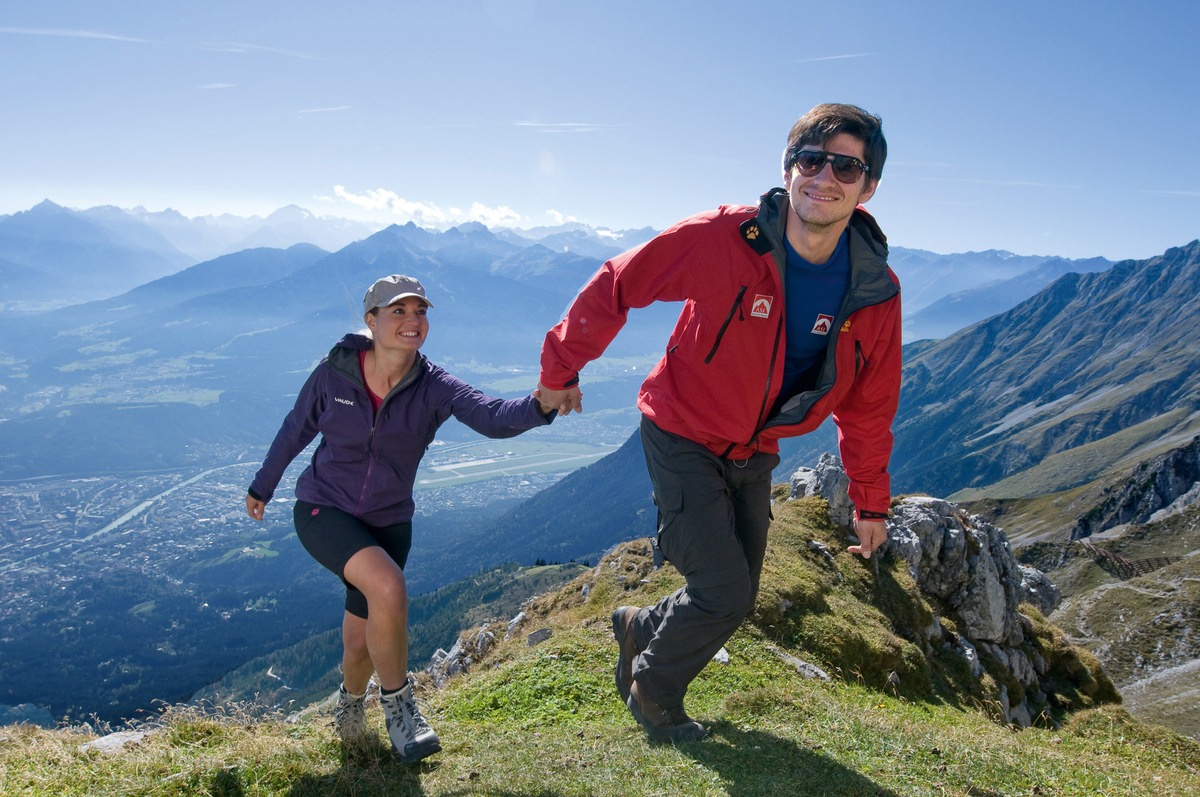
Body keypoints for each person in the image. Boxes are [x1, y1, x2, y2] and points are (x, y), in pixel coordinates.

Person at [537, 103, 900, 742]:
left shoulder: (874, 289)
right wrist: (561, 368)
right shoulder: (726, 238)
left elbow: (868, 404)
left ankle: (638, 626)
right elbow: (621, 282)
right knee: (723, 591)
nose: (825, 176)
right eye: (811, 160)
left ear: (868, 187)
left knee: (737, 592)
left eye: (847, 166)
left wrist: (871, 502)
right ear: (789, 169)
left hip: (754, 446)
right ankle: (654, 695)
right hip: (680, 428)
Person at [246, 274, 556, 763]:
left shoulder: (433, 386)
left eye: (420, 312)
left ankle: (349, 707)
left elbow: (493, 416)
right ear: (371, 321)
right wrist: (264, 484)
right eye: (398, 311)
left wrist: (541, 405)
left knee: (358, 643)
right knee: (388, 589)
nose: (412, 321)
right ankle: (401, 710)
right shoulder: (335, 373)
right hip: (323, 507)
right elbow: (296, 427)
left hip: (389, 523)